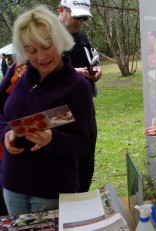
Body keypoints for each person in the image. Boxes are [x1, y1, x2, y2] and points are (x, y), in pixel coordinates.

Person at [0, 5, 93, 215]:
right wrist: (5, 132)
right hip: (12, 184)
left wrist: (52, 138)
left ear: (60, 41)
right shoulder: (18, 71)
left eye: (46, 46)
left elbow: (81, 142)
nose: (40, 56)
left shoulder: (77, 87)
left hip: (51, 191)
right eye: (31, 50)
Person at [58, 0, 102, 192]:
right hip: (62, 110)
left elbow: (92, 58)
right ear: (61, 10)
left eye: (84, 18)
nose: (80, 22)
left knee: (86, 158)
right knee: (67, 159)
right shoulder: (47, 36)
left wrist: (97, 68)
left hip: (86, 107)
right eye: (77, 16)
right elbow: (36, 72)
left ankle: (82, 197)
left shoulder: (82, 36)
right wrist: (72, 72)